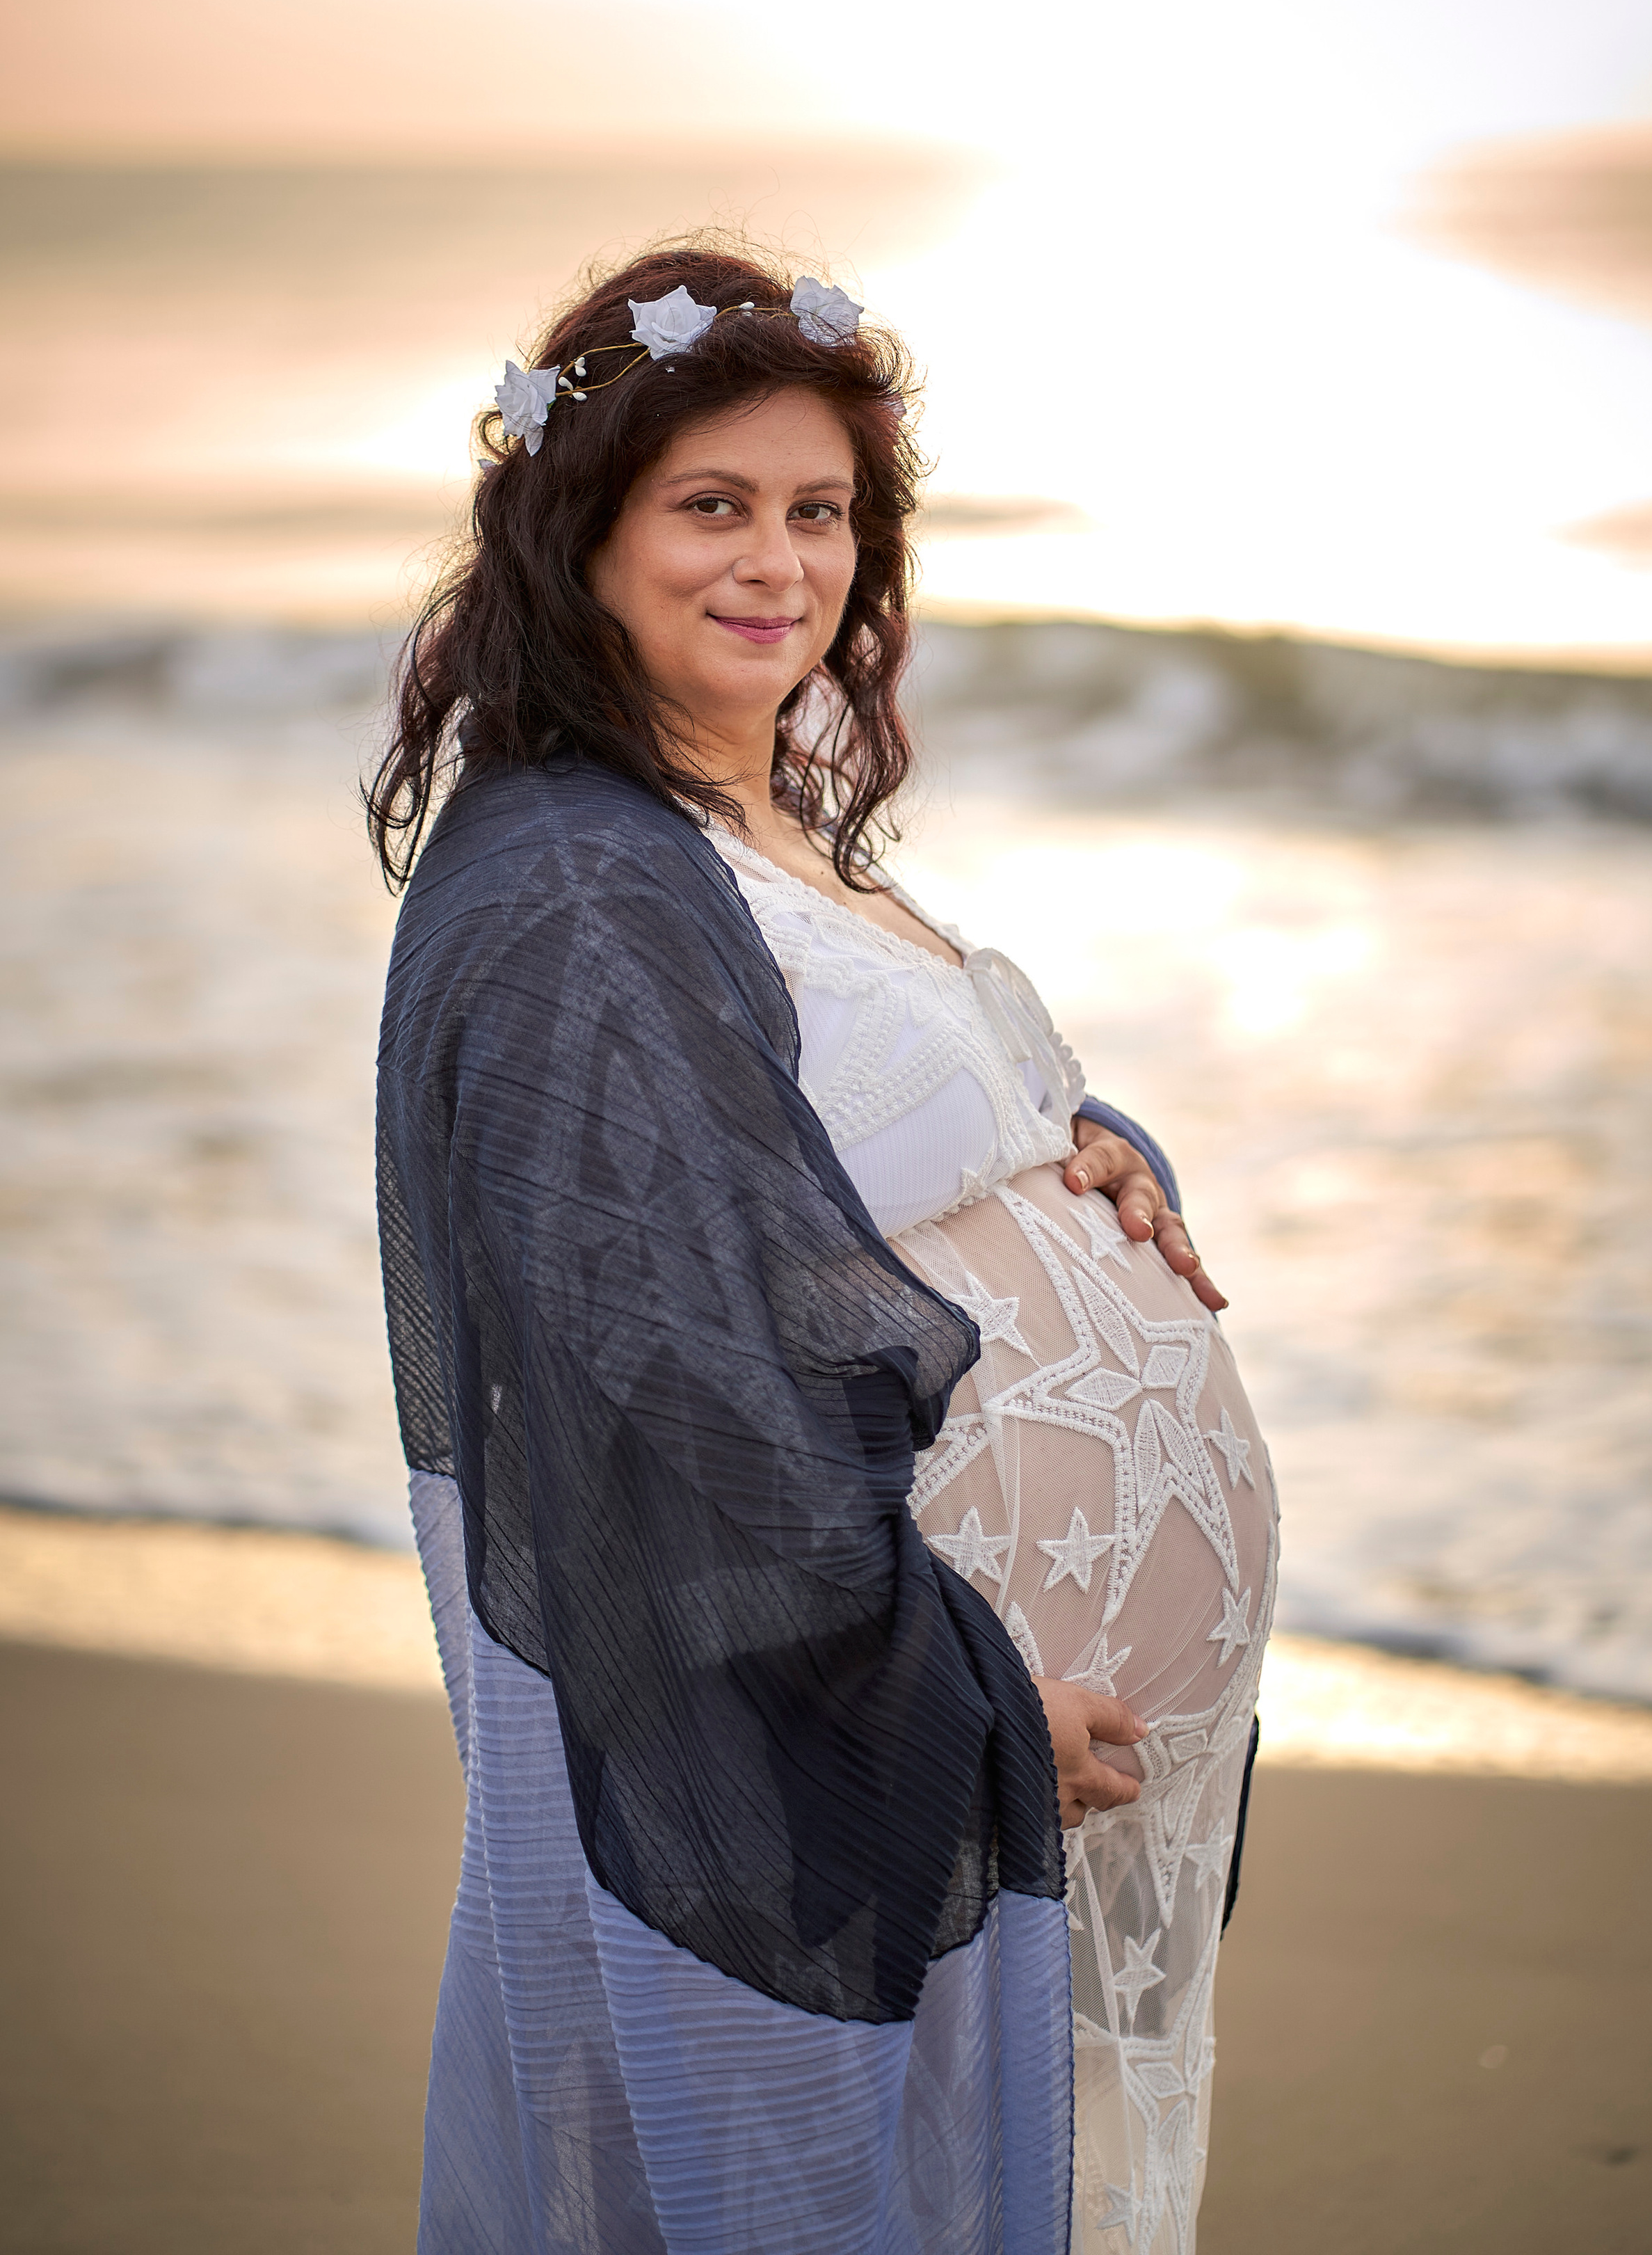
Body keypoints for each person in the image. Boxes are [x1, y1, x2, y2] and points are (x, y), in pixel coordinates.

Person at [369, 242, 1277, 2255]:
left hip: (1013, 1734)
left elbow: (828, 1138)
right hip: (871, 1739)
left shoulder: (752, 827)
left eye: (819, 511)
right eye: (712, 504)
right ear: (578, 528)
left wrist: (1076, 1145)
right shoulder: (575, 887)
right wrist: (952, 1705)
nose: (778, 559)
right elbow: (664, 1403)